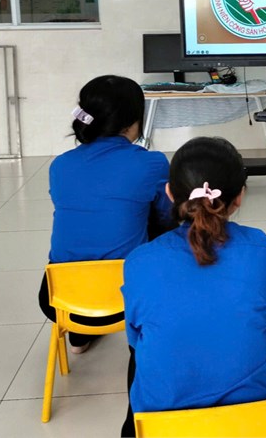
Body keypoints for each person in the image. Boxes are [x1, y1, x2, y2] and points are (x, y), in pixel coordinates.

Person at [120, 137, 266, 437]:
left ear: (169, 192)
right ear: (240, 196)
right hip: (257, 423)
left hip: (161, 428)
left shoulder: (139, 261)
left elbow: (135, 339)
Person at [39, 75, 172, 353]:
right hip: (127, 294)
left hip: (59, 299)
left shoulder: (60, 165)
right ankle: (146, 342)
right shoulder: (151, 163)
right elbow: (167, 214)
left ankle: (78, 335)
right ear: (134, 120)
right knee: (163, 223)